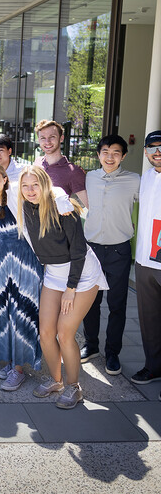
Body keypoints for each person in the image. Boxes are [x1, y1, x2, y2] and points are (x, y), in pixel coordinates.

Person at [18, 166, 108, 409]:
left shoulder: (62, 207)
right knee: (46, 332)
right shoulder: (25, 207)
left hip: (81, 274)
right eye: (25, 186)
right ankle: (56, 380)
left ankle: (73, 386)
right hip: (54, 273)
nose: (30, 190)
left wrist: (71, 289)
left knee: (64, 331)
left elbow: (79, 251)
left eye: (35, 185)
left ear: (45, 185)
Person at [0, 164, 45, 391]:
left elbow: (49, 194)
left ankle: (18, 370)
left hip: (24, 262)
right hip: (2, 263)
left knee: (21, 313)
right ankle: (11, 361)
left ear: (5, 179)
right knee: (3, 313)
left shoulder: (17, 196)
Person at [81, 135, 140, 376]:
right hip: (92, 249)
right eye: (105, 151)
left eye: (116, 152)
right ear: (98, 154)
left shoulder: (135, 181)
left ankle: (113, 352)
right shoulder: (89, 177)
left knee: (117, 304)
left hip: (119, 249)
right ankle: (91, 345)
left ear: (123, 156)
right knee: (90, 302)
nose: (110, 157)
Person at [130, 130, 161, 392]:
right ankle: (154, 365)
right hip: (144, 260)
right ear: (146, 152)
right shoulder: (146, 178)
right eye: (152, 147)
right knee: (149, 319)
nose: (157, 152)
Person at [34, 120, 87, 207]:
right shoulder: (37, 163)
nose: (47, 142)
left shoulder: (73, 171)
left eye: (52, 137)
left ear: (61, 138)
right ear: (39, 140)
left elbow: (90, 207)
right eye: (43, 138)